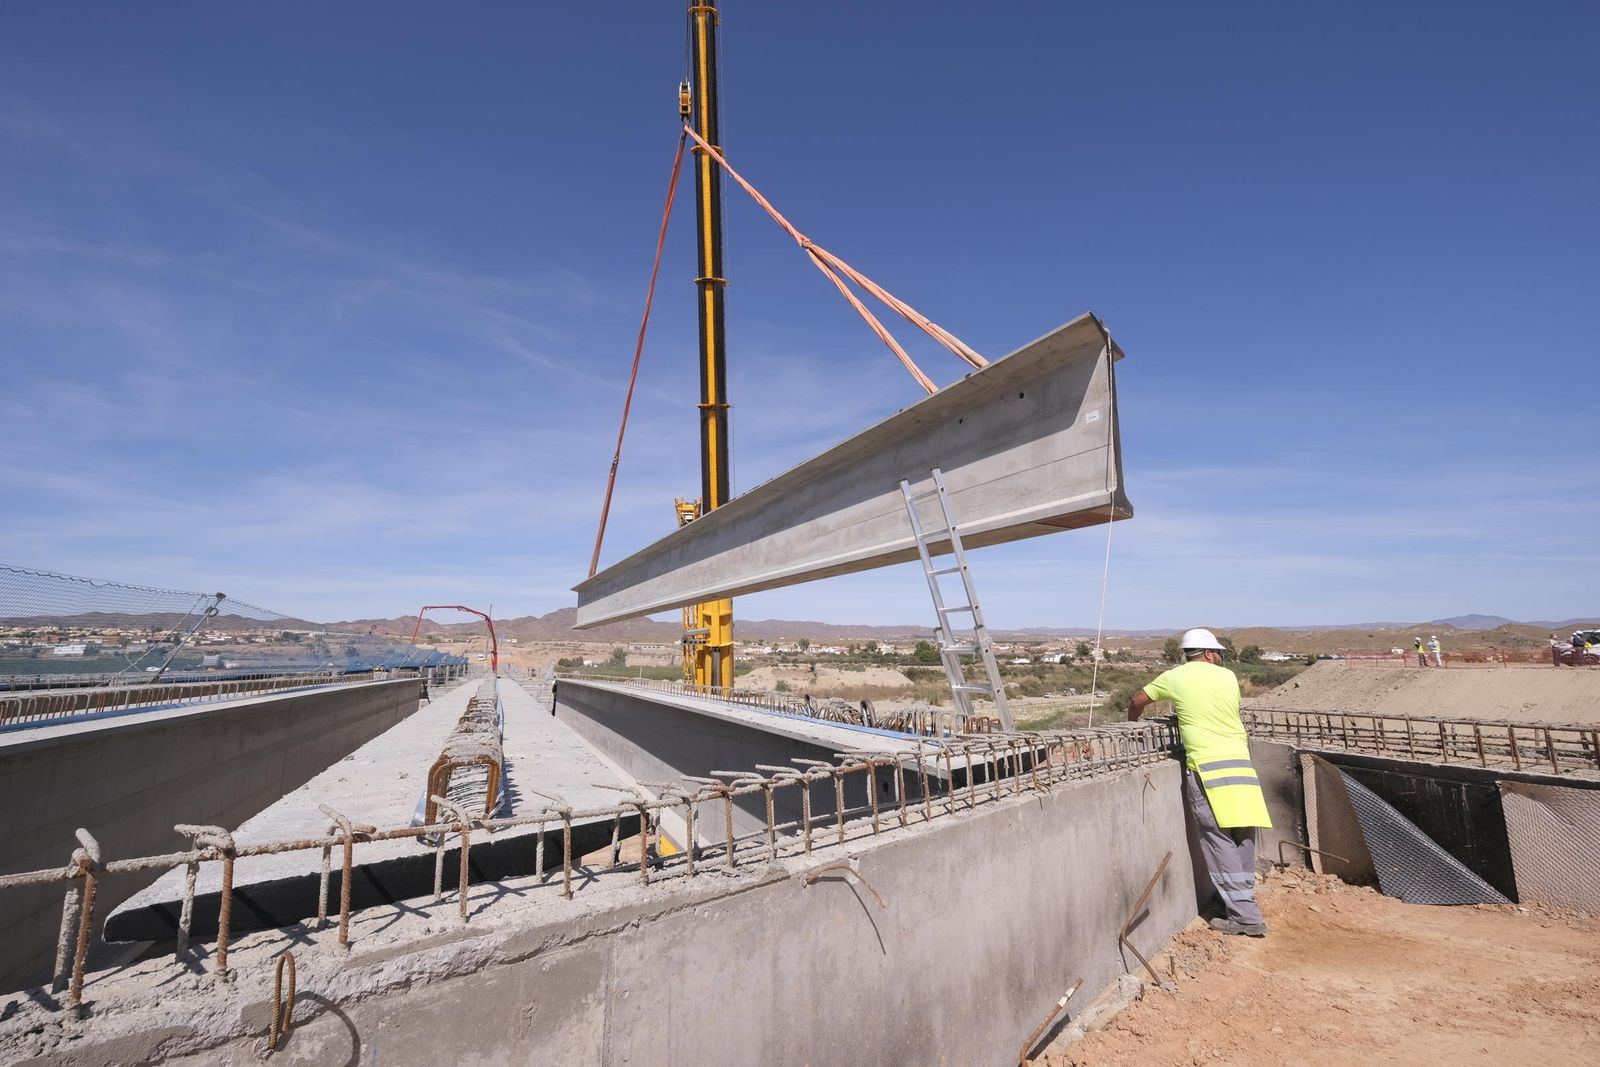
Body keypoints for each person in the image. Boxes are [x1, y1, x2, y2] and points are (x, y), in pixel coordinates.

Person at [1129, 628, 1272, 937]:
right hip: (1240, 762)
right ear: (1207, 653)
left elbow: (1137, 700)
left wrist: (1133, 724)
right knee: (1243, 832)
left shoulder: (1174, 677)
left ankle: (1245, 916)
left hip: (1206, 766)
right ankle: (1240, 899)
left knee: (1216, 837)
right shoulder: (1229, 678)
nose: (1220, 657)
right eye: (1217, 653)